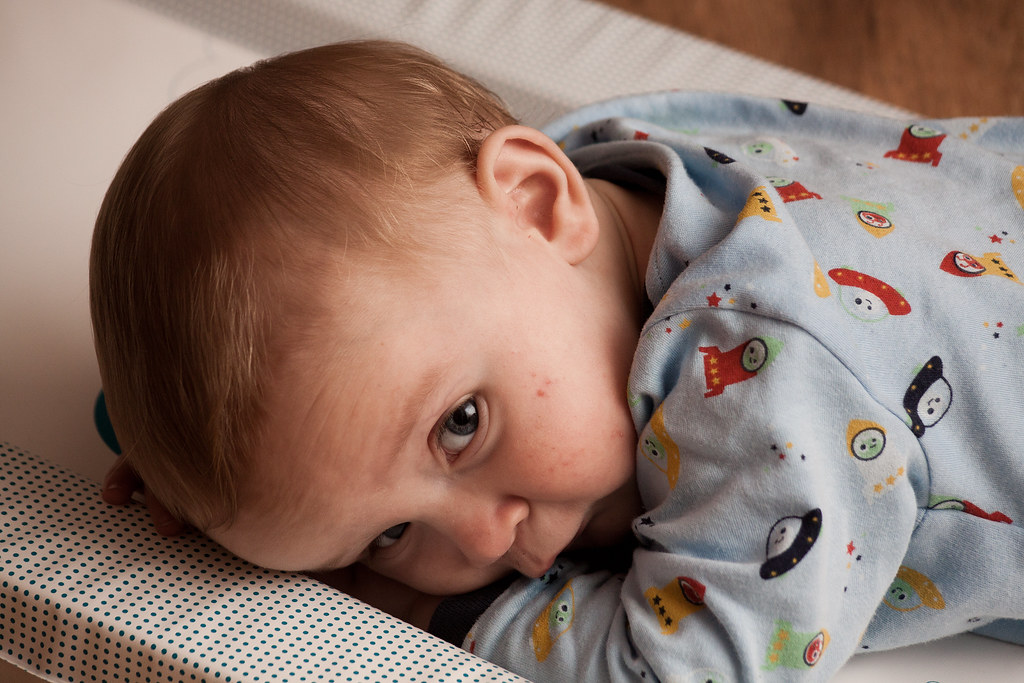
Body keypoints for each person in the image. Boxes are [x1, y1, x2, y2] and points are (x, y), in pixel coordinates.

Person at [93, 40, 1024, 681]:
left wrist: (423, 611)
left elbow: (687, 668)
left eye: (461, 424)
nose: (483, 544)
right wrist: (246, 486)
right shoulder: (605, 175)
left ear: (539, 200)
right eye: (387, 536)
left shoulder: (769, 386)